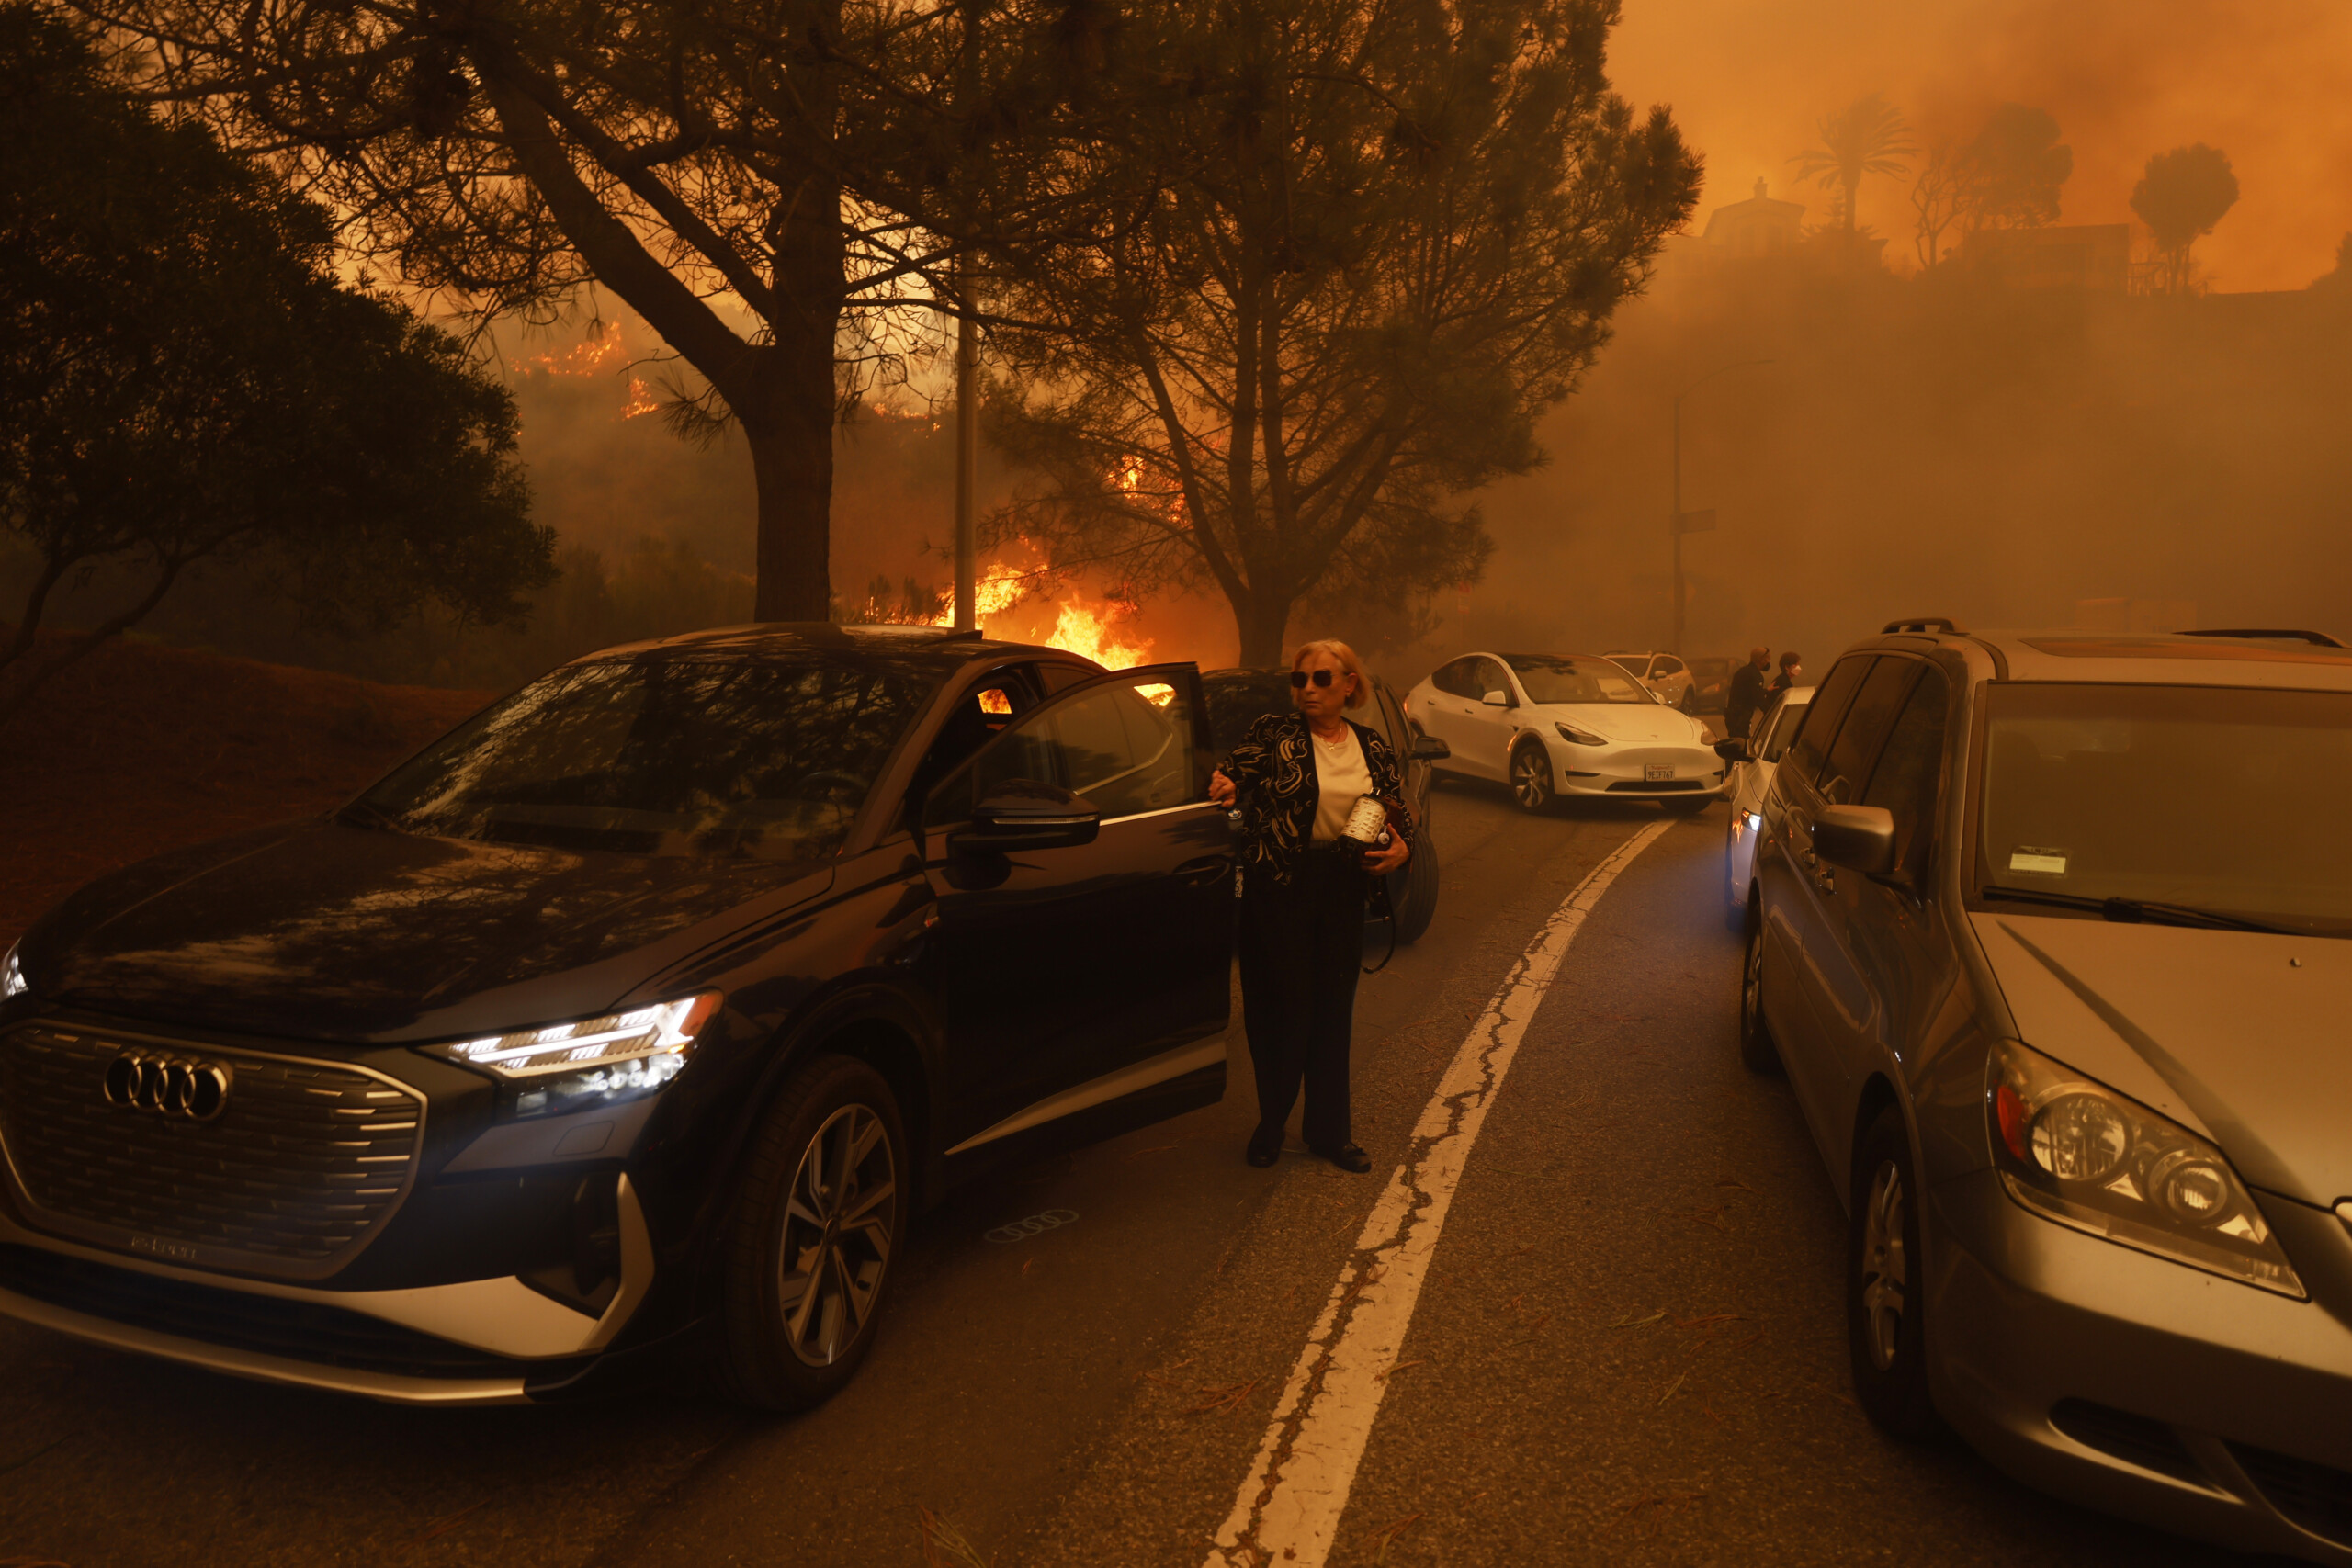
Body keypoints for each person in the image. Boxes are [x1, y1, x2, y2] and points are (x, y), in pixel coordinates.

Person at [1208, 639, 1415, 1173]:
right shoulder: (1273, 736)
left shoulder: (1371, 746)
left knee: (1331, 1011)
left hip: (1343, 885)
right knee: (1283, 1010)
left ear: (1349, 684)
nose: (1308, 690)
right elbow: (1231, 775)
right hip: (1280, 886)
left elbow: (1399, 814)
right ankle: (1271, 1125)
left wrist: (1400, 848)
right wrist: (1226, 783)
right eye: (1300, 680)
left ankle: (1329, 1133)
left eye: (1321, 679)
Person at [1724, 646, 1772, 741]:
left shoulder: (1742, 671)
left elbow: (1747, 692)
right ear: (1761, 659)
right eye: (1768, 658)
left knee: (1735, 742)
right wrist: (1771, 712)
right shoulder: (1756, 675)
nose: (1769, 662)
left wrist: (1766, 690)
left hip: (1732, 717)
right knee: (1742, 744)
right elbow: (1757, 698)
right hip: (1741, 719)